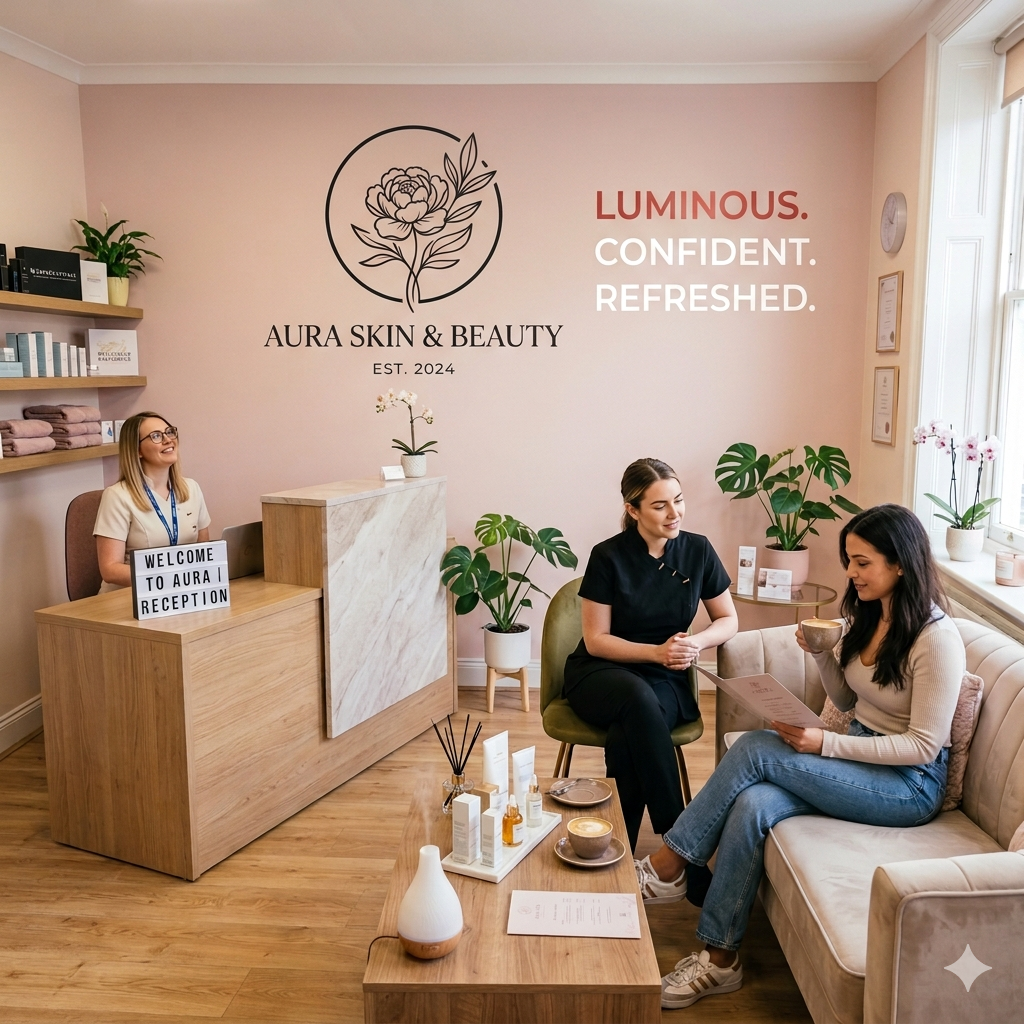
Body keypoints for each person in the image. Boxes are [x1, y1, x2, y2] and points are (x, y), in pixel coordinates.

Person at [635, 503, 965, 1010]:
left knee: (754, 751)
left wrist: (824, 743)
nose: (851, 574)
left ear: (901, 563)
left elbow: (922, 745)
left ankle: (668, 864)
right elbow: (849, 702)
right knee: (754, 804)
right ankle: (720, 960)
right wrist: (820, 653)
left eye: (862, 563)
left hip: (909, 785)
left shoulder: (936, 638)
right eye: (849, 562)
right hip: (863, 761)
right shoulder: (870, 615)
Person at [563, 458, 738, 855]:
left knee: (627, 735)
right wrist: (657, 652)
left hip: (666, 679)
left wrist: (697, 643)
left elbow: (728, 619)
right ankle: (680, 841)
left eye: (678, 500)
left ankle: (612, 847)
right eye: (660, 505)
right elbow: (596, 640)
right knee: (636, 698)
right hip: (600, 672)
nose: (674, 513)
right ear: (633, 510)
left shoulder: (697, 550)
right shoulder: (608, 555)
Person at [94, 412, 211, 593]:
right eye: (156, 436)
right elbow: (110, 570)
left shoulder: (191, 488)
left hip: (179, 594)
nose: (168, 440)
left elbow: (203, 552)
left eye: (169, 432)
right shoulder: (117, 496)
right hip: (128, 598)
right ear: (137, 450)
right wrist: (169, 577)